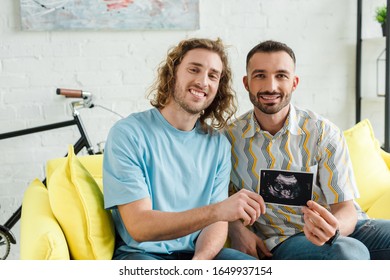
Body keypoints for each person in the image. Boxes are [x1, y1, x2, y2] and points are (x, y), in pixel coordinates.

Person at [224, 40, 390, 260]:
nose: (271, 86)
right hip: (287, 239)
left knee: (350, 246)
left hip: (347, 227)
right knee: (349, 253)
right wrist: (236, 229)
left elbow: (345, 209)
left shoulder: (323, 132)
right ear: (246, 83)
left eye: (281, 75)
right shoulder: (229, 139)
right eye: (260, 75)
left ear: (294, 82)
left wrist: (333, 229)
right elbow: (215, 200)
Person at [103, 38, 265, 260]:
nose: (202, 81)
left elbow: (215, 225)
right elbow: (139, 226)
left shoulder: (218, 145)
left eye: (212, 75)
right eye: (194, 69)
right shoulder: (129, 133)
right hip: (142, 255)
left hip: (199, 255)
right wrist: (218, 210)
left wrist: (197, 264)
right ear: (173, 73)